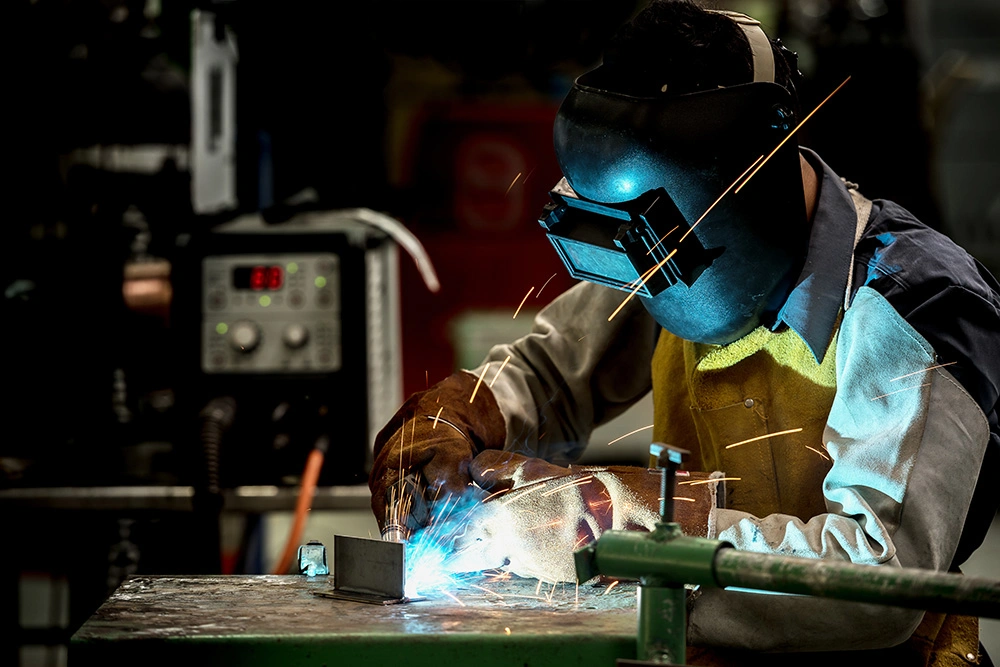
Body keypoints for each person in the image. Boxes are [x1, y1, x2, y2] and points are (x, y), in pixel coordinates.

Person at [369, 1, 1000, 664]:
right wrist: (460, 417)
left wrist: (619, 524)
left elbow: (875, 583)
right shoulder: (666, 245)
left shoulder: (917, 301)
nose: (645, 283)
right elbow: (551, 370)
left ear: (750, 175)